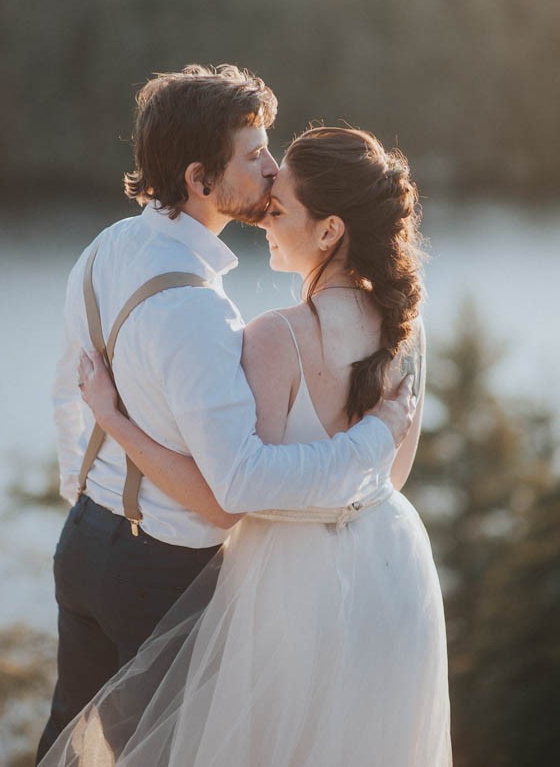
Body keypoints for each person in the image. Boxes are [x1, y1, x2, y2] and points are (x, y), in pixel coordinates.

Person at [37, 65, 415, 762]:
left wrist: (89, 497)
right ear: (199, 178)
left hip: (83, 543)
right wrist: (375, 439)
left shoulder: (106, 247)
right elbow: (232, 491)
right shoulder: (201, 314)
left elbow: (70, 393)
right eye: (254, 156)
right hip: (157, 573)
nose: (273, 171)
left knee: (68, 745)